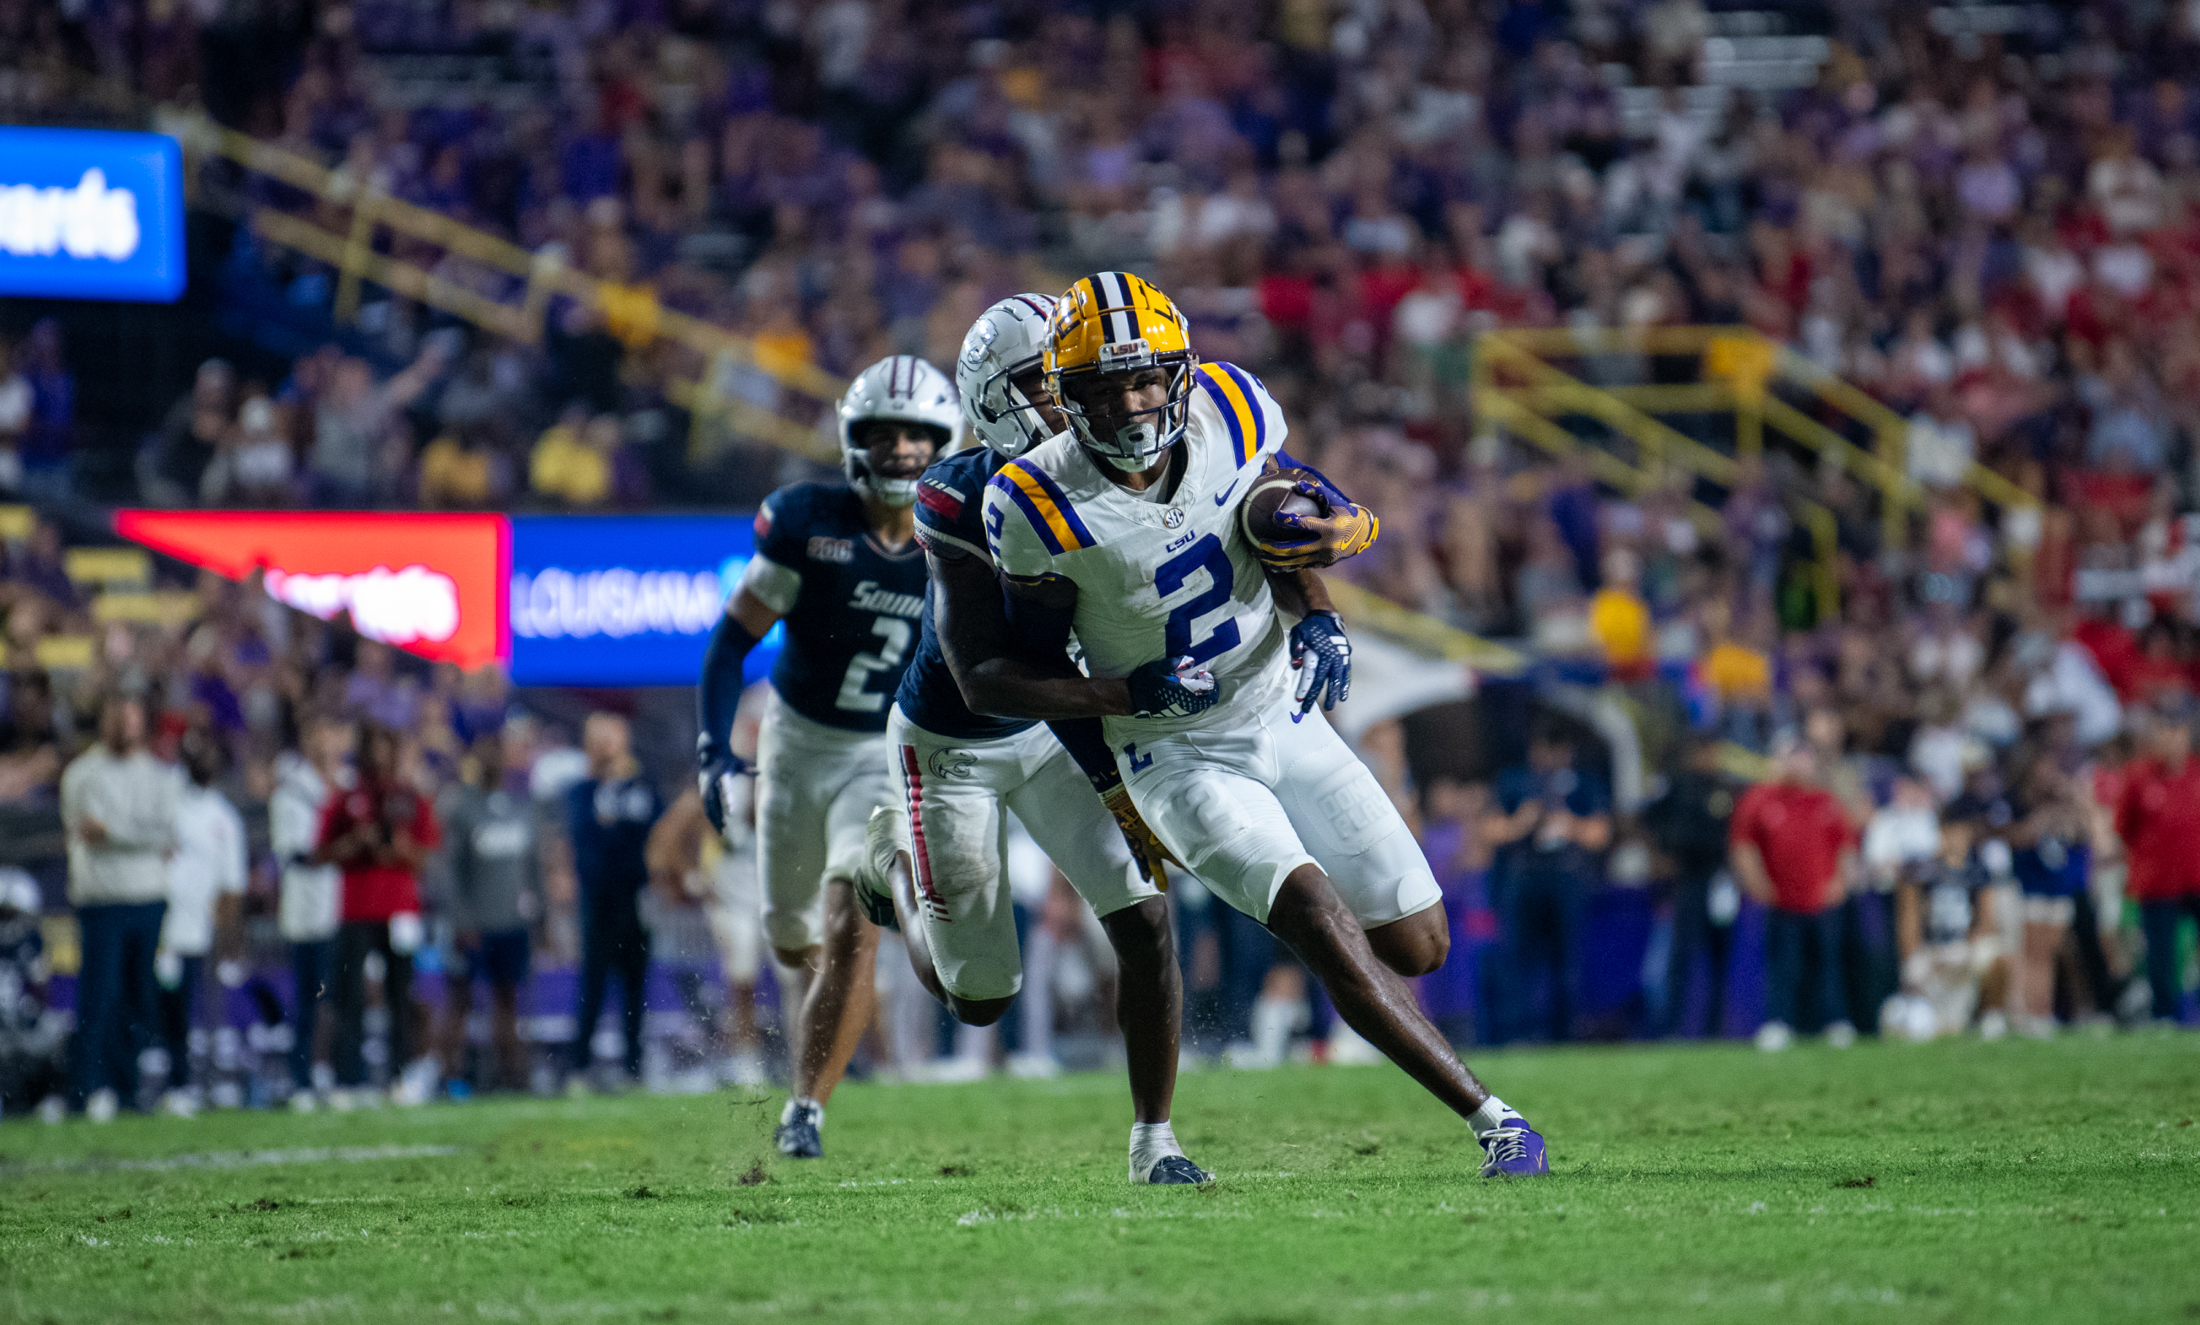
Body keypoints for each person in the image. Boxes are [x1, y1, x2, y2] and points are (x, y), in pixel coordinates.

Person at [973, 271, 1548, 1178]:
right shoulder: (1035, 503)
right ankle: (1497, 1121)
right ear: (1067, 396)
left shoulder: (1232, 411)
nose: (1131, 403)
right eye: (1103, 387)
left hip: (1283, 708)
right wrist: (1126, 697)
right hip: (1177, 752)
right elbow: (1027, 672)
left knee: (1419, 942)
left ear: (1179, 371)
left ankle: (1378, 1017)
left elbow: (1271, 524)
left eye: (1146, 378)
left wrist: (1316, 609)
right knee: (1317, 914)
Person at [853, 295, 1206, 1182]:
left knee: (1145, 916)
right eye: (1047, 388)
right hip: (955, 740)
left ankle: (1155, 1141)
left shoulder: (1123, 473)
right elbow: (985, 677)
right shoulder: (958, 495)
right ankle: (888, 869)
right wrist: (1131, 693)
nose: (1075, 403)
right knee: (979, 998)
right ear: (996, 399)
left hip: (1058, 733)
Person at [694, 354, 945, 1157]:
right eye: (883, 433)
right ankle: (797, 1061)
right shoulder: (810, 522)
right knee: (789, 934)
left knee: (852, 918)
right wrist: (712, 747)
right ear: (852, 440)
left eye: (917, 435)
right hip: (797, 745)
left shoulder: (964, 541)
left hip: (883, 748)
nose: (901, 450)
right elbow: (731, 639)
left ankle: (805, 1107)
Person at [60, 694, 181, 1121]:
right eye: (117, 714)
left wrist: (115, 831)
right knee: (99, 995)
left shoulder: (160, 775)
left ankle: (128, 1090)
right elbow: (90, 830)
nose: (124, 724)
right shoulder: (82, 774)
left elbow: (165, 829)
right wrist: (142, 835)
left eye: (131, 715)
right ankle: (86, 1089)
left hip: (148, 898)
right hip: (102, 900)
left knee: (138, 996)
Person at [316, 721, 440, 1107]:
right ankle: (348, 1080)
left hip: (399, 909)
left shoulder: (408, 798)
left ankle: (402, 1075)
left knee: (401, 995)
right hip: (355, 908)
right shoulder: (347, 798)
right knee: (350, 996)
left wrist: (399, 849)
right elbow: (321, 852)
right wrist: (356, 843)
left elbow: (426, 856)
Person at [1482, 717, 1613, 1043]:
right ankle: (1515, 1035)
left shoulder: (1584, 783)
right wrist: (1520, 823)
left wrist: (1569, 825)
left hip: (1566, 880)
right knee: (1515, 961)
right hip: (1522, 879)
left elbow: (1601, 833)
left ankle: (1564, 1035)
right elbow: (1490, 830)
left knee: (1568, 962)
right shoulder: (1516, 781)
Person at [1728, 737, 1857, 1051]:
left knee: (1828, 964)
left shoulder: (1825, 800)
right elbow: (1743, 845)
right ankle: (1779, 1023)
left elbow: (1846, 846)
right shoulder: (1760, 798)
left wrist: (1841, 882)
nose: (1799, 764)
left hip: (1821, 899)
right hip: (1782, 899)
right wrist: (1757, 883)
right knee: (1783, 965)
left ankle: (1835, 1021)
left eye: (1804, 757)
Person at [437, 732, 540, 1094]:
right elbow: (451, 870)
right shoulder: (462, 810)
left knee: (508, 1001)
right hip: (474, 925)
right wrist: (461, 919)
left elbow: (533, 868)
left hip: (512, 922)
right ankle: (448, 1075)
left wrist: (538, 916)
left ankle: (511, 1075)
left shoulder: (520, 808)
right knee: (460, 1002)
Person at [566, 712, 663, 1088]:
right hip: (599, 899)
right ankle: (579, 1066)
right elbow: (587, 842)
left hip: (636, 897)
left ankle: (634, 1067)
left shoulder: (644, 785)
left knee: (636, 984)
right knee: (592, 982)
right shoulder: (582, 790)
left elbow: (653, 837)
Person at [156, 728, 246, 1117]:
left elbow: (232, 885)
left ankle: (198, 1083)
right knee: (160, 1007)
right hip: (157, 923)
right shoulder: (166, 801)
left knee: (200, 1010)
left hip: (198, 928)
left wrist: (226, 934)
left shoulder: (224, 818)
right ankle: (153, 1084)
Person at [271, 716, 350, 1108]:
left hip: (343, 906)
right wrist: (345, 848)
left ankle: (334, 1072)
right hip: (306, 907)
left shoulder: (347, 786)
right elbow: (296, 853)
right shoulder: (291, 791)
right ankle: (302, 1076)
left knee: (342, 996)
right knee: (309, 997)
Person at [1640, 733, 1738, 1038]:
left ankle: (1715, 1028)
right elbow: (1648, 819)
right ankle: (1673, 1027)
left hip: (1720, 879)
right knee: (1681, 955)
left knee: (1719, 956)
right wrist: (1660, 855)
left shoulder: (1725, 787)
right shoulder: (1678, 785)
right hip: (1689, 878)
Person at [2114, 708, 2200, 1024]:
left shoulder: (2196, 773)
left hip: (2196, 875)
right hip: (2157, 880)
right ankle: (2164, 1014)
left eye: (2178, 730)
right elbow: (2124, 827)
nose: (2172, 738)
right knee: (2160, 954)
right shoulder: (2139, 777)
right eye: (2165, 730)